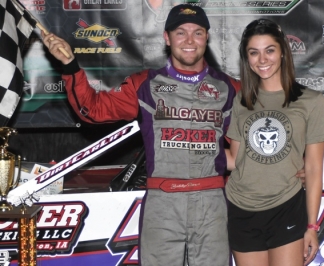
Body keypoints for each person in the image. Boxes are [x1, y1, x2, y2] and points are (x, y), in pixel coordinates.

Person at [41, 5, 306, 265]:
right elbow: (94, 111)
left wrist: (294, 164)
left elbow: (266, 136)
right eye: (181, 32)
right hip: (163, 203)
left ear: (207, 37)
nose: (190, 40)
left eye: (198, 32)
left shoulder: (230, 89)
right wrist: (69, 66)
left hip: (212, 202)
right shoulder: (144, 84)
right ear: (167, 38)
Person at [224, 19, 324, 266]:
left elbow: (314, 168)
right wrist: (193, 145)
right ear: (246, 58)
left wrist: (312, 226)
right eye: (254, 52)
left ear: (282, 51)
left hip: (286, 206)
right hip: (240, 208)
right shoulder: (242, 100)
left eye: (269, 50)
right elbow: (235, 161)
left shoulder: (311, 101)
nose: (262, 60)